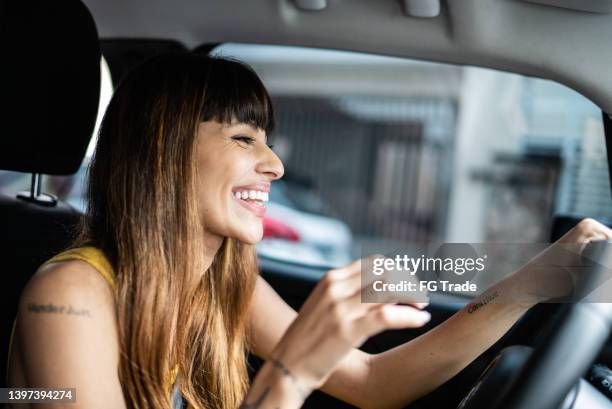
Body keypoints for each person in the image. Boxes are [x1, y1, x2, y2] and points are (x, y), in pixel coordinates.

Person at [6, 52, 612, 409]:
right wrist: (291, 373)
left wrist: (529, 282)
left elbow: (374, 381)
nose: (275, 166)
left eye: (268, 141)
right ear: (160, 154)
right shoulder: (68, 300)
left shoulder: (218, 285)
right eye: (244, 140)